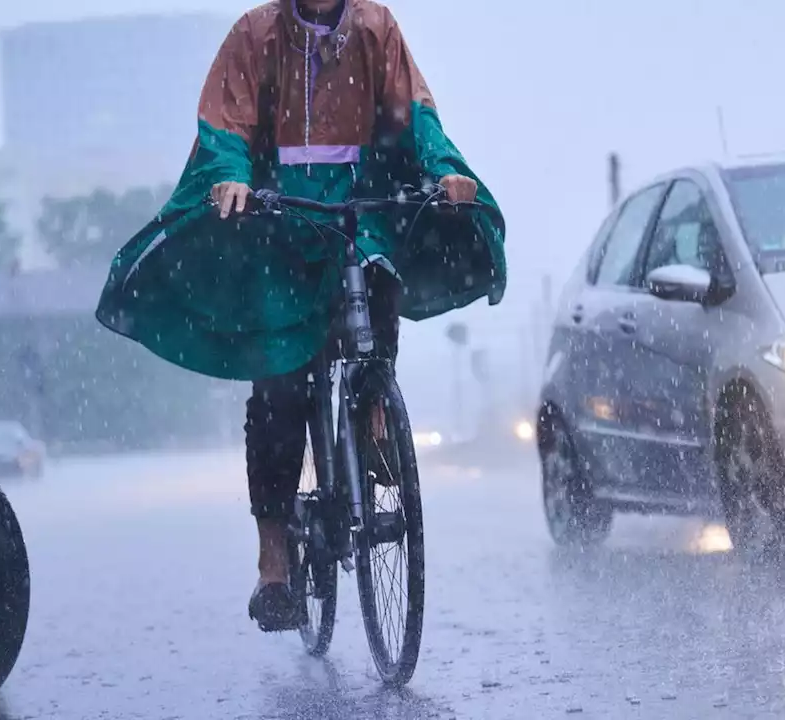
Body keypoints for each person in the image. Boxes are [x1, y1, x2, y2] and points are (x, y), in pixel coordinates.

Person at [96, 0, 506, 631]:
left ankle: (372, 421)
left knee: (378, 285)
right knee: (280, 387)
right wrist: (231, 177)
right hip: (278, 225)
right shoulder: (255, 35)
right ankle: (274, 562)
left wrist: (444, 169)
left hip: (357, 214)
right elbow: (224, 128)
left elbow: (416, 114)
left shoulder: (376, 28)